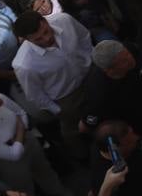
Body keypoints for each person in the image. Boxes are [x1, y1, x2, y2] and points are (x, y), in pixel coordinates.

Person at [10, 11, 93, 149]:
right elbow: (35, 95)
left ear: (46, 21)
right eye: (38, 39)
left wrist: (90, 59)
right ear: (25, 39)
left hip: (89, 75)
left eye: (46, 31)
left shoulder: (64, 20)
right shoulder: (23, 64)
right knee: (75, 131)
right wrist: (59, 110)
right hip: (68, 99)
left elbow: (84, 37)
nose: (47, 38)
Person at [80, 40, 142, 146]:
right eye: (123, 61)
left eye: (127, 54)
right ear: (110, 70)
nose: (130, 59)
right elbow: (86, 126)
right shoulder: (98, 93)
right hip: (136, 123)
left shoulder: (130, 49)